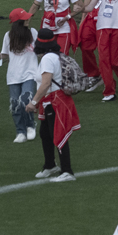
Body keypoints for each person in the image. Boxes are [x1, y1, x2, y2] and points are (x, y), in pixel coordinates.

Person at [25, 28, 79, 182]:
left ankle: (67, 170)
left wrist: (33, 102)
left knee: (58, 134)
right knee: (45, 133)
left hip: (55, 101)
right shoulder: (56, 56)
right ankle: (50, 165)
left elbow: (46, 83)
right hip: (52, 100)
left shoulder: (47, 59)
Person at [0, 8, 38, 140]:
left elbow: (39, 50)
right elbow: (6, 55)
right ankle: (20, 132)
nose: (28, 19)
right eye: (25, 18)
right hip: (13, 75)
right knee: (14, 104)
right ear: (18, 22)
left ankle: (30, 125)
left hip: (30, 73)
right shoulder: (8, 36)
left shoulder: (33, 33)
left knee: (25, 100)